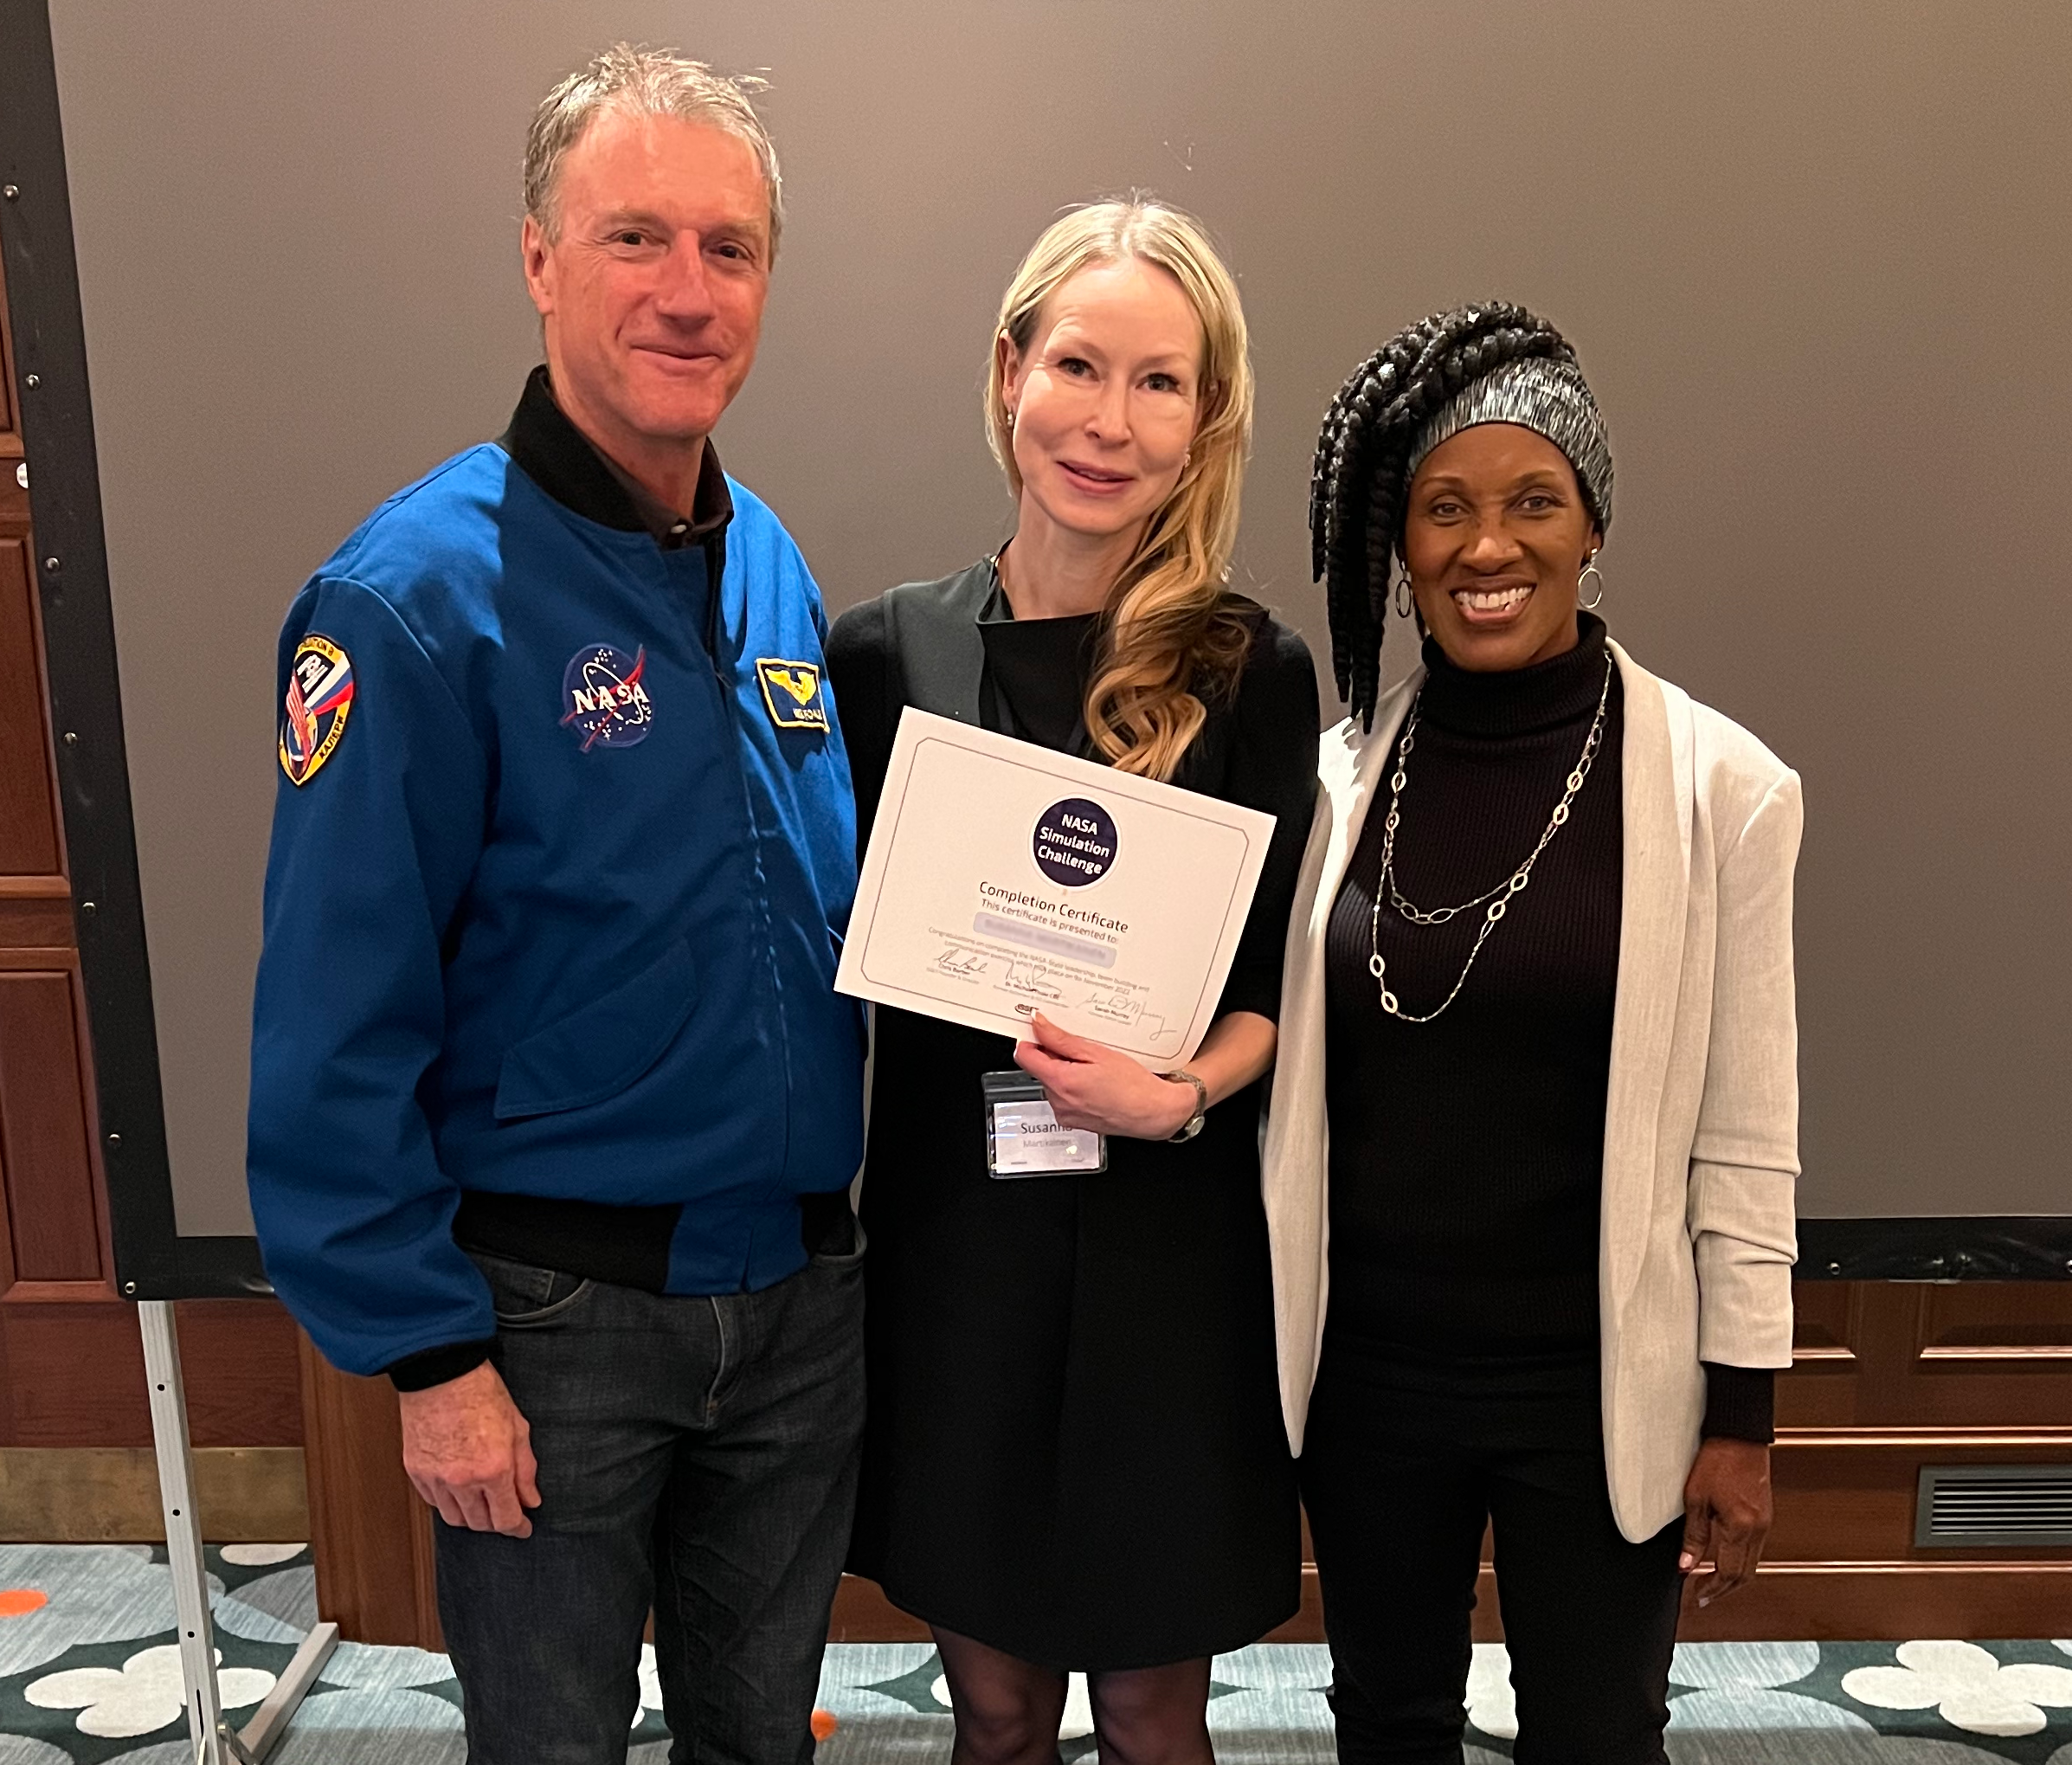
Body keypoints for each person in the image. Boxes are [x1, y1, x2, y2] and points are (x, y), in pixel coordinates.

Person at [247, 47, 865, 1765]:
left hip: (800, 1300)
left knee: (766, 1739)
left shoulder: (771, 564)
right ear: (537, 258)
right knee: (551, 1745)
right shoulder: (407, 599)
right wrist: (427, 1353)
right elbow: (333, 1015)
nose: (689, 292)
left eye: (730, 248)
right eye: (634, 240)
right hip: (549, 1332)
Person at [1263, 304, 1800, 1765]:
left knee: (1593, 1730)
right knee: (1384, 1717)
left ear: (1591, 524)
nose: (1484, 546)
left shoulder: (1721, 790)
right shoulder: (1332, 785)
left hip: (1596, 1377)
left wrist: (1741, 1419)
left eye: (1530, 501)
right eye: (1442, 507)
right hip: (1369, 1370)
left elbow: (1747, 1135)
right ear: (1398, 542)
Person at [827, 200, 1316, 1765]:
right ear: (1008, 373)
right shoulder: (882, 655)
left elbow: (1273, 993)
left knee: (1158, 1716)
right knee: (994, 1707)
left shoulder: (1249, 670)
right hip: (959, 1250)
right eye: (1079, 366)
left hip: (1170, 1262)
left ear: (1205, 419)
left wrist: (1177, 1093)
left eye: (1160, 383)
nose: (1110, 422)